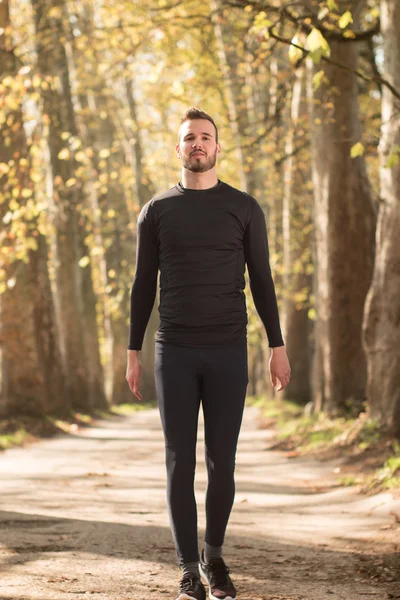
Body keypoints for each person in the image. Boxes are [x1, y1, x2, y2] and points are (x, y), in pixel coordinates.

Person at [126, 107, 291, 600]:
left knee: (223, 461)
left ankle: (214, 559)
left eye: (205, 138)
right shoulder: (156, 211)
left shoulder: (244, 208)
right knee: (180, 460)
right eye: (189, 138)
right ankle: (186, 571)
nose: (197, 144)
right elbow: (141, 287)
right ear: (177, 149)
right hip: (172, 350)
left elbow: (262, 281)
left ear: (218, 148)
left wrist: (276, 346)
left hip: (226, 351)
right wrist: (132, 350)